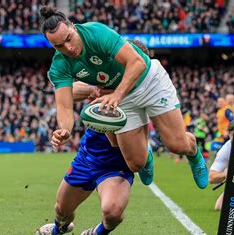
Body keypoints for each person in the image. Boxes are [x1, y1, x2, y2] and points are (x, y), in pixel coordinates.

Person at [40, 6, 208, 189]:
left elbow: (137, 63)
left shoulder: (96, 33)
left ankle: (194, 154)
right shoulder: (59, 66)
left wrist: (116, 95)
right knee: (136, 164)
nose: (68, 48)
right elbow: (64, 105)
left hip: (149, 82)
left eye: (68, 39)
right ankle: (147, 154)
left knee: (178, 145)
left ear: (73, 27)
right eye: (59, 46)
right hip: (119, 96)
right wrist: (64, 129)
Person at [36, 128, 134, 235]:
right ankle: (59, 228)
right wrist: (65, 128)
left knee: (112, 212)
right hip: (88, 158)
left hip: (116, 165)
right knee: (62, 210)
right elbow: (66, 108)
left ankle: (99, 232)